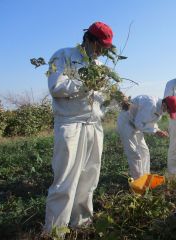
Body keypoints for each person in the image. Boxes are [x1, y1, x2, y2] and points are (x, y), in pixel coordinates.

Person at [44, 21, 114, 233]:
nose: (101, 52)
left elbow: (101, 98)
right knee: (65, 180)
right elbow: (55, 87)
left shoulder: (100, 67)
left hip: (94, 125)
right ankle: (55, 231)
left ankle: (81, 223)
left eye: (105, 48)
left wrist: (115, 98)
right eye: (99, 46)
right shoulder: (62, 55)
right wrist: (85, 84)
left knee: (89, 177)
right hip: (70, 125)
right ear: (89, 40)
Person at [117, 95, 176, 179]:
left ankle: (145, 177)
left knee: (144, 151)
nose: (168, 113)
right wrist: (155, 131)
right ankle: (138, 181)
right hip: (126, 122)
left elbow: (150, 122)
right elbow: (139, 123)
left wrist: (158, 130)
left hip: (135, 124)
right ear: (165, 105)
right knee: (134, 154)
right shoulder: (151, 105)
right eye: (169, 111)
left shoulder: (159, 109)